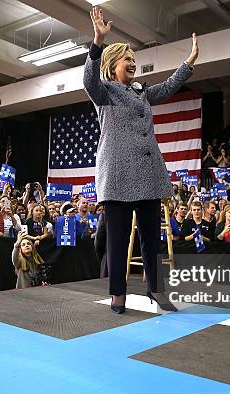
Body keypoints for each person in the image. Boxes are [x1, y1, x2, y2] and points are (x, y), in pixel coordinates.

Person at [83, 6, 198, 313]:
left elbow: (170, 86)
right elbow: (88, 80)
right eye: (127, 59)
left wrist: (188, 63)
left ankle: (156, 290)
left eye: (134, 60)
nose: (133, 63)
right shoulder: (104, 92)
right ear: (112, 64)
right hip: (118, 175)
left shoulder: (143, 93)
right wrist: (97, 41)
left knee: (152, 239)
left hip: (148, 174)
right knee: (118, 241)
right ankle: (117, 293)